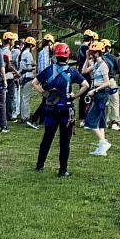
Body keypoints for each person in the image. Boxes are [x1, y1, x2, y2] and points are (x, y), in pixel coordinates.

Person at [33, 42, 89, 178]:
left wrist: (44, 93)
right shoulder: (72, 72)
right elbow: (85, 85)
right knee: (64, 141)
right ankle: (63, 170)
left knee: (47, 137)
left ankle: (39, 165)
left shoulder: (48, 70)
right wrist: (75, 96)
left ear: (55, 56)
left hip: (50, 108)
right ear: (68, 56)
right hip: (66, 109)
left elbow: (34, 82)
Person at [82, 41, 112, 156]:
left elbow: (107, 82)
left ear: (98, 53)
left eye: (93, 52)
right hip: (97, 94)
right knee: (101, 121)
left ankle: (104, 142)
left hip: (101, 94)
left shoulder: (103, 65)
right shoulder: (95, 65)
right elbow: (84, 71)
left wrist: (94, 90)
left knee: (90, 121)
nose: (91, 54)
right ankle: (102, 149)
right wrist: (86, 58)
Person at [30, 34, 54, 127]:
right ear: (49, 43)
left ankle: (42, 120)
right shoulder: (44, 53)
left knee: (46, 100)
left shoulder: (45, 53)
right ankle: (35, 119)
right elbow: (45, 68)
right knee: (46, 101)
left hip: (45, 79)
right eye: (52, 44)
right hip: (46, 80)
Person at [77, 29, 96, 126]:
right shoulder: (86, 48)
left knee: (82, 94)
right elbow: (88, 60)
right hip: (86, 72)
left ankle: (82, 116)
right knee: (86, 94)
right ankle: (85, 116)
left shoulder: (80, 47)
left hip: (81, 71)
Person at [101, 39, 120, 131]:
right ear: (108, 48)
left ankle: (103, 121)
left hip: (101, 82)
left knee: (103, 102)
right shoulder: (113, 57)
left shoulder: (98, 58)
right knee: (114, 102)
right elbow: (117, 69)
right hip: (111, 81)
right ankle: (114, 122)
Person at [1, 32, 20, 124]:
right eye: (12, 40)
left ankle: (4, 114)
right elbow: (8, 66)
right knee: (10, 97)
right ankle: (9, 115)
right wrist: (16, 72)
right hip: (8, 76)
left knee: (5, 96)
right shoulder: (8, 51)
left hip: (3, 76)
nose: (14, 42)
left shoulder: (1, 50)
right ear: (9, 41)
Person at [19, 36, 38, 129]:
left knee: (24, 98)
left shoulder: (23, 53)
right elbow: (29, 67)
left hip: (23, 77)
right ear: (31, 45)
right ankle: (25, 117)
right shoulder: (28, 54)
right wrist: (35, 66)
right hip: (28, 76)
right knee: (26, 98)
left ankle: (24, 116)